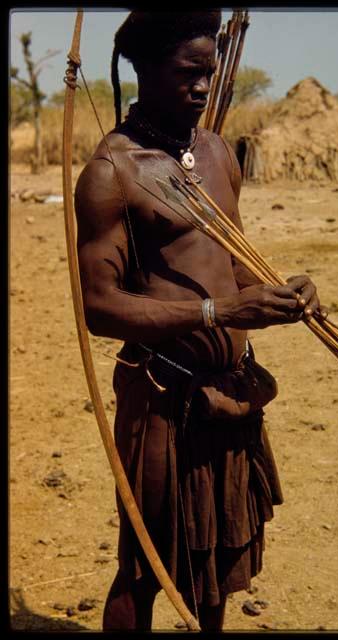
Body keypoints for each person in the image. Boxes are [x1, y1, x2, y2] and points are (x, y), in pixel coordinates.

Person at [74, 10, 325, 632]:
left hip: (230, 390)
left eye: (207, 75)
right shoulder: (114, 172)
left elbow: (234, 265)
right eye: (187, 73)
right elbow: (99, 308)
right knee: (146, 565)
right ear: (149, 69)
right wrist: (218, 312)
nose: (200, 88)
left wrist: (277, 294)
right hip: (162, 397)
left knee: (211, 562)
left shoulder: (213, 150)